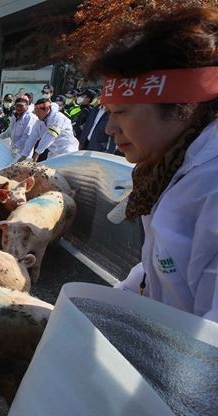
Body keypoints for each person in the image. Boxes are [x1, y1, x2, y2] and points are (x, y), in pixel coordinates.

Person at [91, 7, 218, 321]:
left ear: (183, 107)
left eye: (121, 112)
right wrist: (103, 308)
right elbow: (156, 272)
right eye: (107, 112)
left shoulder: (211, 186)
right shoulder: (163, 171)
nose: (109, 129)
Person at [19, 97, 78, 162]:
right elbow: (31, 138)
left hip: (67, 149)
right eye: (36, 112)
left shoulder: (58, 118)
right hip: (53, 152)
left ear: (47, 109)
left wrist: (37, 153)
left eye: (38, 112)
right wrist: (24, 155)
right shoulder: (39, 122)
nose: (37, 115)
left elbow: (50, 136)